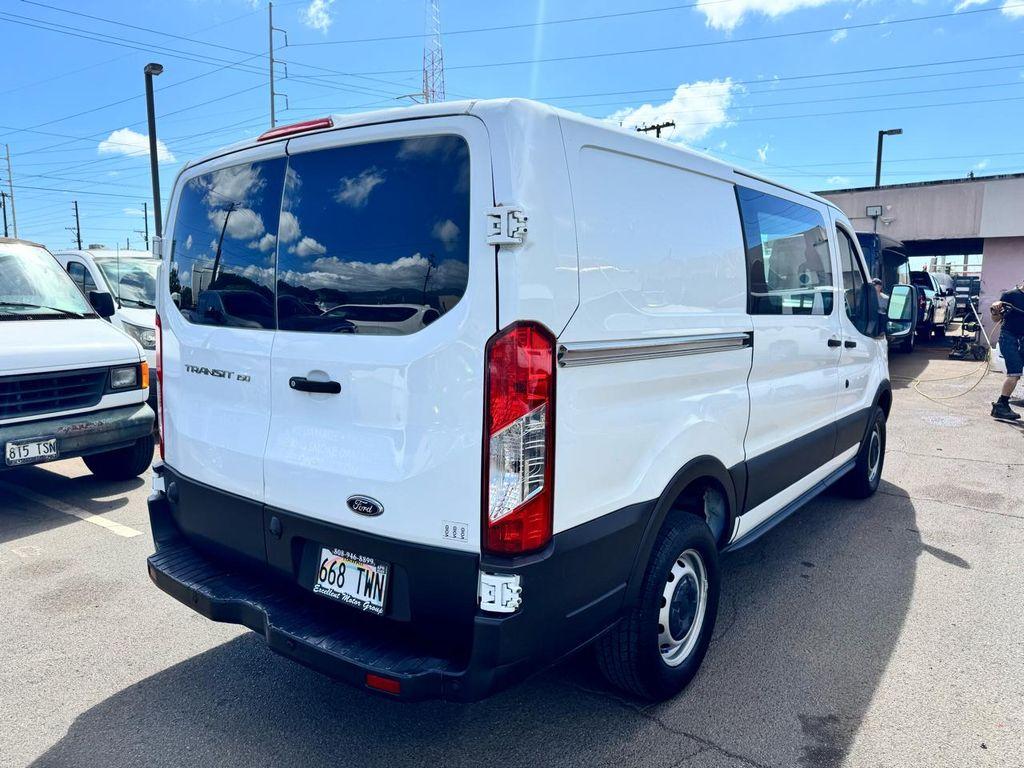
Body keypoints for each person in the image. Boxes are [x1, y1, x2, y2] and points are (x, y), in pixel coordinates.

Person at [991, 281, 1024, 421]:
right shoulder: (1010, 295)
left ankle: (1002, 405)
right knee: (1014, 372)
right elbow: (995, 318)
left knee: (1016, 373)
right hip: (1009, 338)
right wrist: (995, 308)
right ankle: (1001, 405)